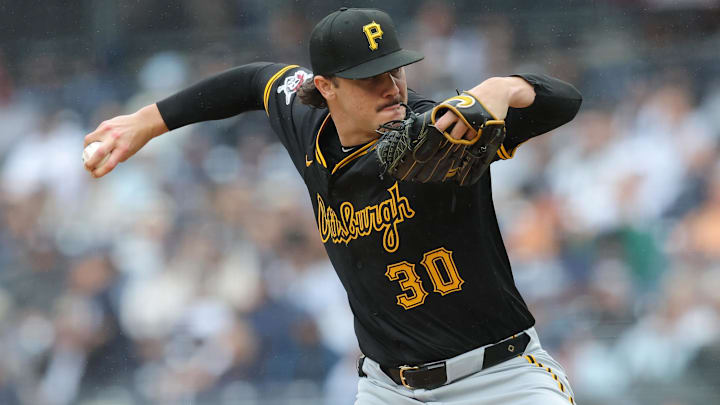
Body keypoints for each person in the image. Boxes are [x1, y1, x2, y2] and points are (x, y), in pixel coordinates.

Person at [84, 7, 582, 405]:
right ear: (324, 87)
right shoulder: (306, 124)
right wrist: (146, 122)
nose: (391, 86)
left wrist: (502, 87)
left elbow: (563, 102)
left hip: (499, 379)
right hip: (390, 389)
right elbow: (250, 82)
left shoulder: (442, 133)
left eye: (395, 70)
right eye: (369, 77)